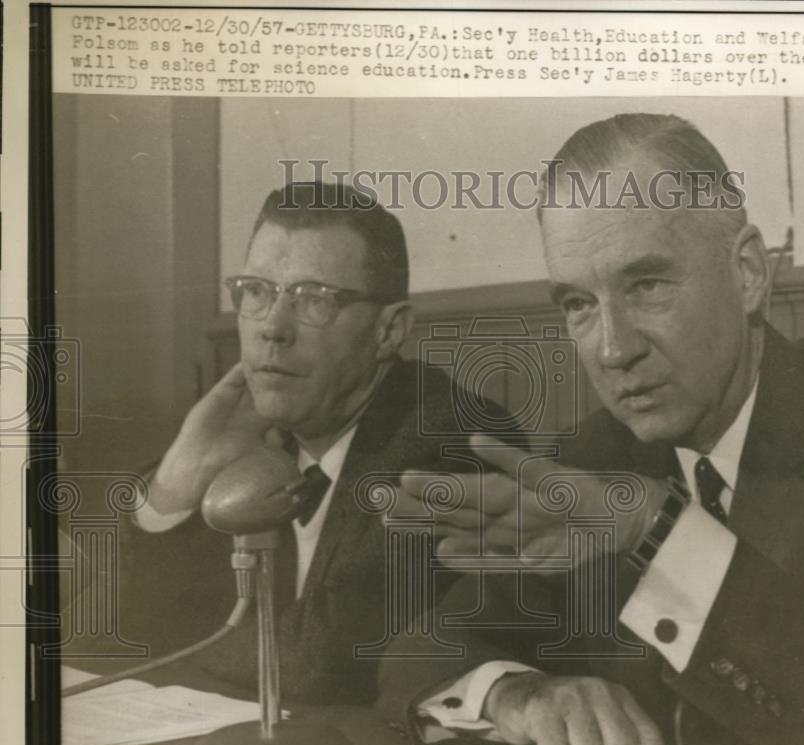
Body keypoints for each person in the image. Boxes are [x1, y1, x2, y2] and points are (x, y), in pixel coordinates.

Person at [380, 114, 804, 745]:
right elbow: (415, 656)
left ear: (747, 272)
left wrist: (659, 532)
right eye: (579, 302)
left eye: (647, 286)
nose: (611, 348)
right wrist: (523, 693)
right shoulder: (592, 454)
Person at [112, 181, 514, 706]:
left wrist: (166, 632)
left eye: (314, 300)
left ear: (389, 331)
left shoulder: (451, 435)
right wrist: (178, 481)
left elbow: (318, 668)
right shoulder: (253, 435)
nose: (272, 329)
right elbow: (119, 629)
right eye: (257, 292)